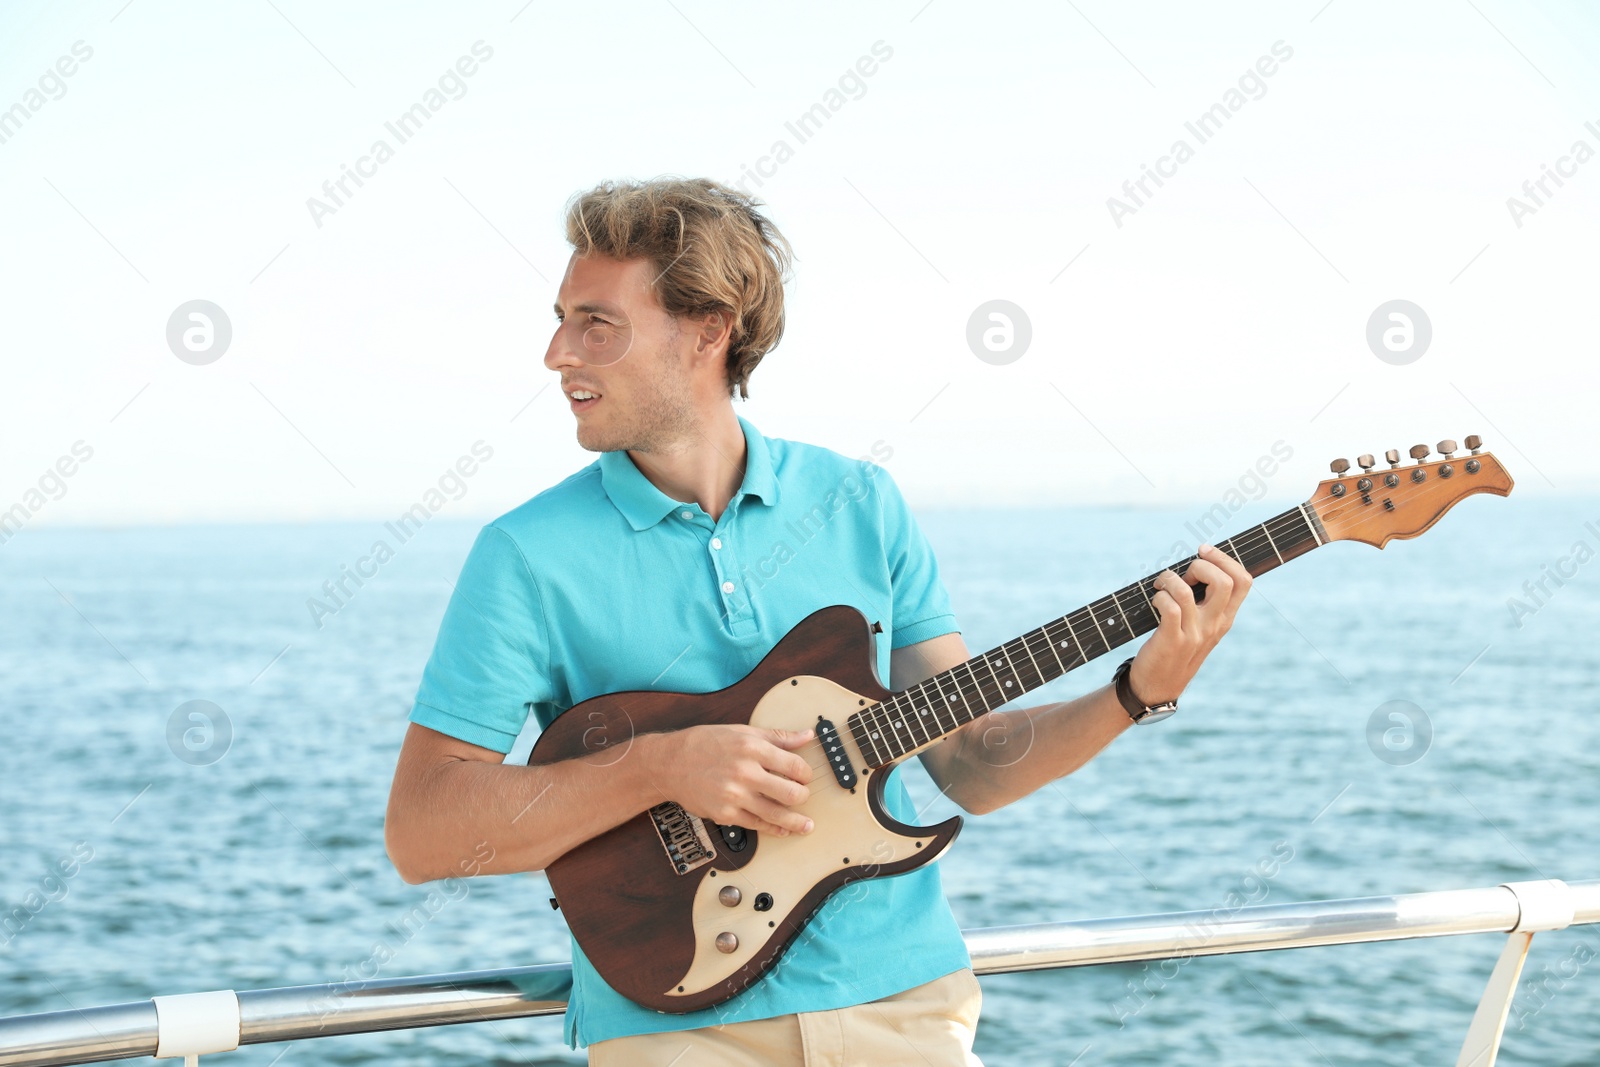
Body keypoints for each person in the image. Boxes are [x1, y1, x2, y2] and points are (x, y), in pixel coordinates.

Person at [383, 176, 1253, 1066]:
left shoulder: (859, 502)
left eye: (596, 322)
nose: (558, 352)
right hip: (677, 1029)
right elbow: (422, 830)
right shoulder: (524, 555)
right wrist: (662, 766)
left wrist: (1135, 692)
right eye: (562, 316)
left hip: (909, 1006)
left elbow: (969, 763)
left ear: (709, 329)